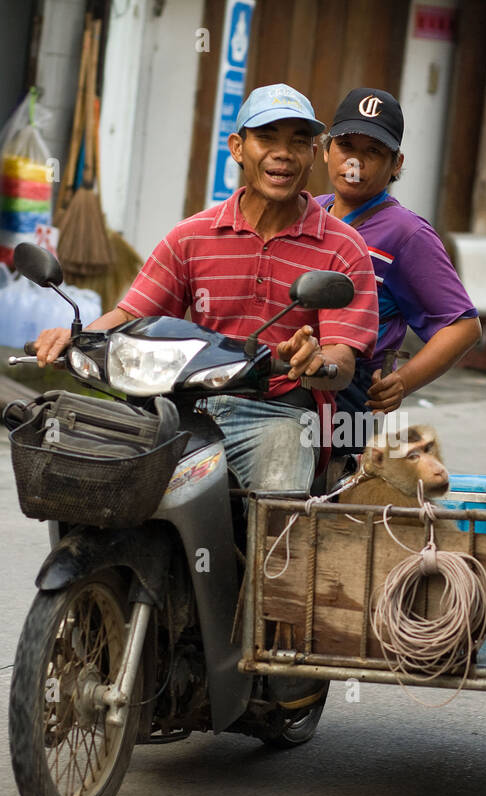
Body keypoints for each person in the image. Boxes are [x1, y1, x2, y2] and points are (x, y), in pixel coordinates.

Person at [35, 83, 379, 492]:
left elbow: (342, 360)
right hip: (184, 408)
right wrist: (76, 338)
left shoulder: (343, 247)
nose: (283, 152)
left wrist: (315, 359)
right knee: (108, 491)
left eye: (298, 141)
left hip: (281, 415)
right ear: (237, 147)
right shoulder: (191, 236)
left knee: (277, 523)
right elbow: (132, 315)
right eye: (266, 137)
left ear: (312, 154)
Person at [315, 87, 480, 450]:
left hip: (351, 395)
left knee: (333, 497)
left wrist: (403, 381)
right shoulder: (309, 211)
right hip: (292, 377)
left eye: (372, 152)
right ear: (326, 150)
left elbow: (464, 326)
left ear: (397, 164)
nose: (355, 163)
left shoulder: (408, 235)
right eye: (346, 147)